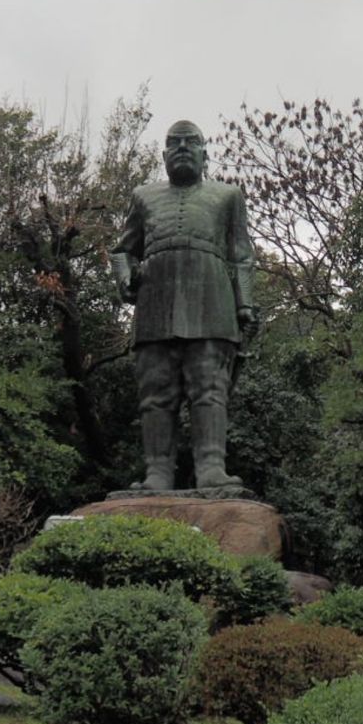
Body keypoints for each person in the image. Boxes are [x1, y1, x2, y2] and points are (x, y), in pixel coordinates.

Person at [109, 119, 255, 493]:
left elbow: (241, 256)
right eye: (174, 142)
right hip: (155, 302)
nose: (182, 147)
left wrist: (246, 305)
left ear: (205, 153)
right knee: (156, 391)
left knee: (209, 385)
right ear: (163, 154)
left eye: (191, 142)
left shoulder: (228, 196)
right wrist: (125, 277)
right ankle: (157, 472)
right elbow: (123, 251)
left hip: (212, 299)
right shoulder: (143, 196)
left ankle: (211, 468)